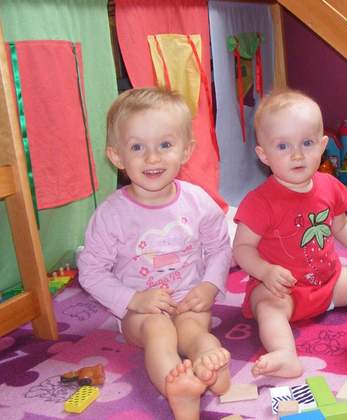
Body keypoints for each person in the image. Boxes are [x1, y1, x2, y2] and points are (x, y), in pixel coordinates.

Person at [78, 88, 232, 420]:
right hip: (140, 314)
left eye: (165, 145)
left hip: (189, 301)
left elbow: (220, 247)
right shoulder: (112, 215)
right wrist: (133, 299)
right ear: (117, 157)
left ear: (186, 150)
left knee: (194, 333)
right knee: (160, 332)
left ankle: (212, 365)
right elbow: (90, 271)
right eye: (137, 147)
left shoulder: (198, 201)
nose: (152, 158)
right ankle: (177, 388)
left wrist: (208, 286)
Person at [233, 89, 347, 378]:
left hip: (329, 281)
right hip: (282, 290)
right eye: (283, 146)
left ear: (322, 145)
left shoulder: (329, 185)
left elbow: (341, 226)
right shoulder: (259, 201)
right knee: (269, 308)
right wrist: (265, 272)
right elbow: (242, 248)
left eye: (307, 143)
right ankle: (283, 353)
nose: (297, 154)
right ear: (264, 155)